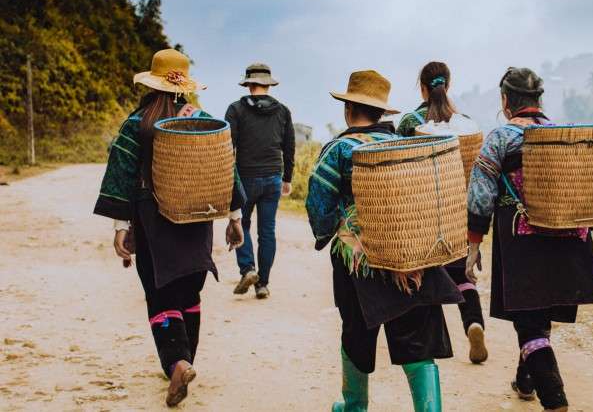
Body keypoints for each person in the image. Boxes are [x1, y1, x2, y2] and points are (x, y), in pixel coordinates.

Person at [93, 49, 246, 407]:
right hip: (197, 216)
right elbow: (226, 167)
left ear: (153, 82)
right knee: (190, 292)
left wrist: (121, 225)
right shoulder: (204, 120)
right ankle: (187, 359)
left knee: (160, 293)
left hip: (153, 217)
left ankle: (177, 362)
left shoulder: (138, 123)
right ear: (183, 85)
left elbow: (122, 173)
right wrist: (235, 218)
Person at [465, 67, 593, 412]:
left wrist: (473, 242)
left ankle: (554, 398)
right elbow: (590, 189)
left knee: (530, 319)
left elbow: (480, 192)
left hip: (524, 240)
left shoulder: (501, 138)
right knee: (539, 314)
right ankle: (525, 381)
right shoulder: (565, 136)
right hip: (572, 240)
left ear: (506, 101)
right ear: (539, 100)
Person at [306, 70, 462, 412]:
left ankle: (354, 406)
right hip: (414, 257)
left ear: (348, 109)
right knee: (418, 341)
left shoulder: (339, 149)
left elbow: (318, 206)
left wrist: (328, 232)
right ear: (381, 113)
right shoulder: (406, 145)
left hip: (361, 263)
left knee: (357, 333)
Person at [397, 61, 488, 364]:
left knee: (423, 273)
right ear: (447, 86)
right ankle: (473, 323)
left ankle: (424, 347)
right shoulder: (466, 123)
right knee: (463, 275)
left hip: (422, 212)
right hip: (457, 212)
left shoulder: (410, 121)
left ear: (422, 87)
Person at [225, 63, 295, 299]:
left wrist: (226, 178)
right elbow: (289, 147)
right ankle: (262, 283)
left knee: (241, 223)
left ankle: (248, 269)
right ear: (268, 84)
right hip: (273, 177)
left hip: (245, 178)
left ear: (248, 84)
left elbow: (228, 147)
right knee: (267, 231)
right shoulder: (283, 111)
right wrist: (288, 178)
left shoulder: (235, 110)